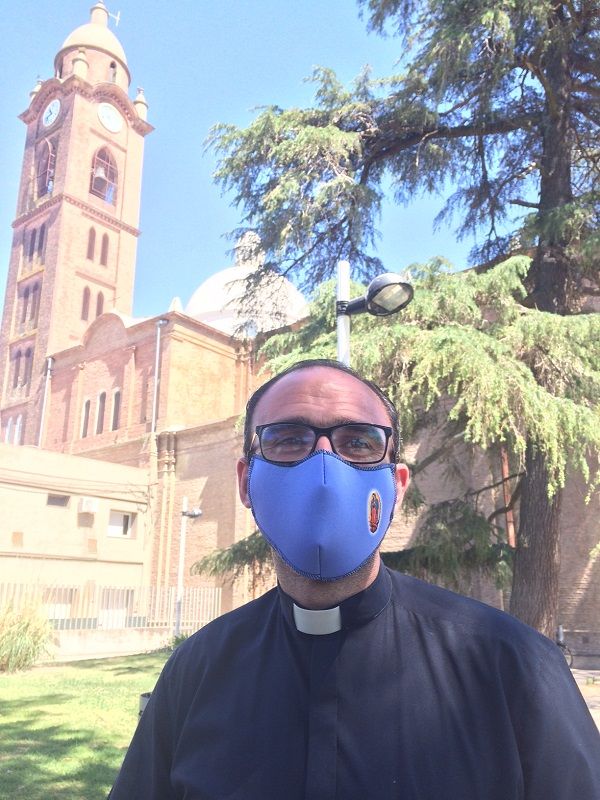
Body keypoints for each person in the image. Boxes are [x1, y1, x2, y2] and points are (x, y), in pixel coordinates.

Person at [108, 358, 600, 799]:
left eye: (359, 442)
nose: (324, 467)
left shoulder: (513, 665)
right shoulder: (196, 671)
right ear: (245, 482)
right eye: (287, 439)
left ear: (397, 486)